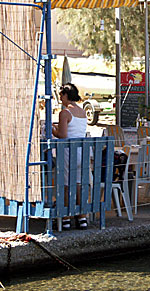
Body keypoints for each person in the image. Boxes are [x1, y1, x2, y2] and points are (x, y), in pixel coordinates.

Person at [52, 83, 88, 230]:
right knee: (78, 183)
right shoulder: (83, 112)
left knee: (66, 185)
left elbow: (63, 135)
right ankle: (82, 218)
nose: (60, 98)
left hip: (68, 152)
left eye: (61, 95)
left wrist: (52, 129)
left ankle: (66, 218)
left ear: (66, 95)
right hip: (81, 152)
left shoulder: (65, 113)